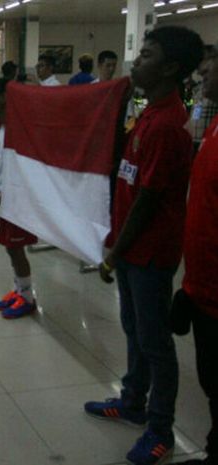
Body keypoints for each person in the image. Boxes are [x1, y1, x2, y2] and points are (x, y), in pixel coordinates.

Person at [84, 26, 204, 465]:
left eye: (147, 55)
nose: (136, 61)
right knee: (134, 328)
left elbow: (149, 201)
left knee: (156, 344)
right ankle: (132, 400)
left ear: (171, 67)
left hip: (149, 254)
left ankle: (160, 430)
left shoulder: (168, 125)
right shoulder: (148, 114)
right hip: (132, 251)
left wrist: (115, 252)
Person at [173, 42, 218, 465]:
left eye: (212, 64)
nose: (203, 70)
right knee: (211, 381)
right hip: (202, 288)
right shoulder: (215, 125)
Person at [0, 78, 38, 319]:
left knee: (16, 248)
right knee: (10, 248)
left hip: (18, 201)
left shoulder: (18, 130)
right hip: (6, 199)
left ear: (5, 97)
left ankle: (27, 297)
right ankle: (18, 289)